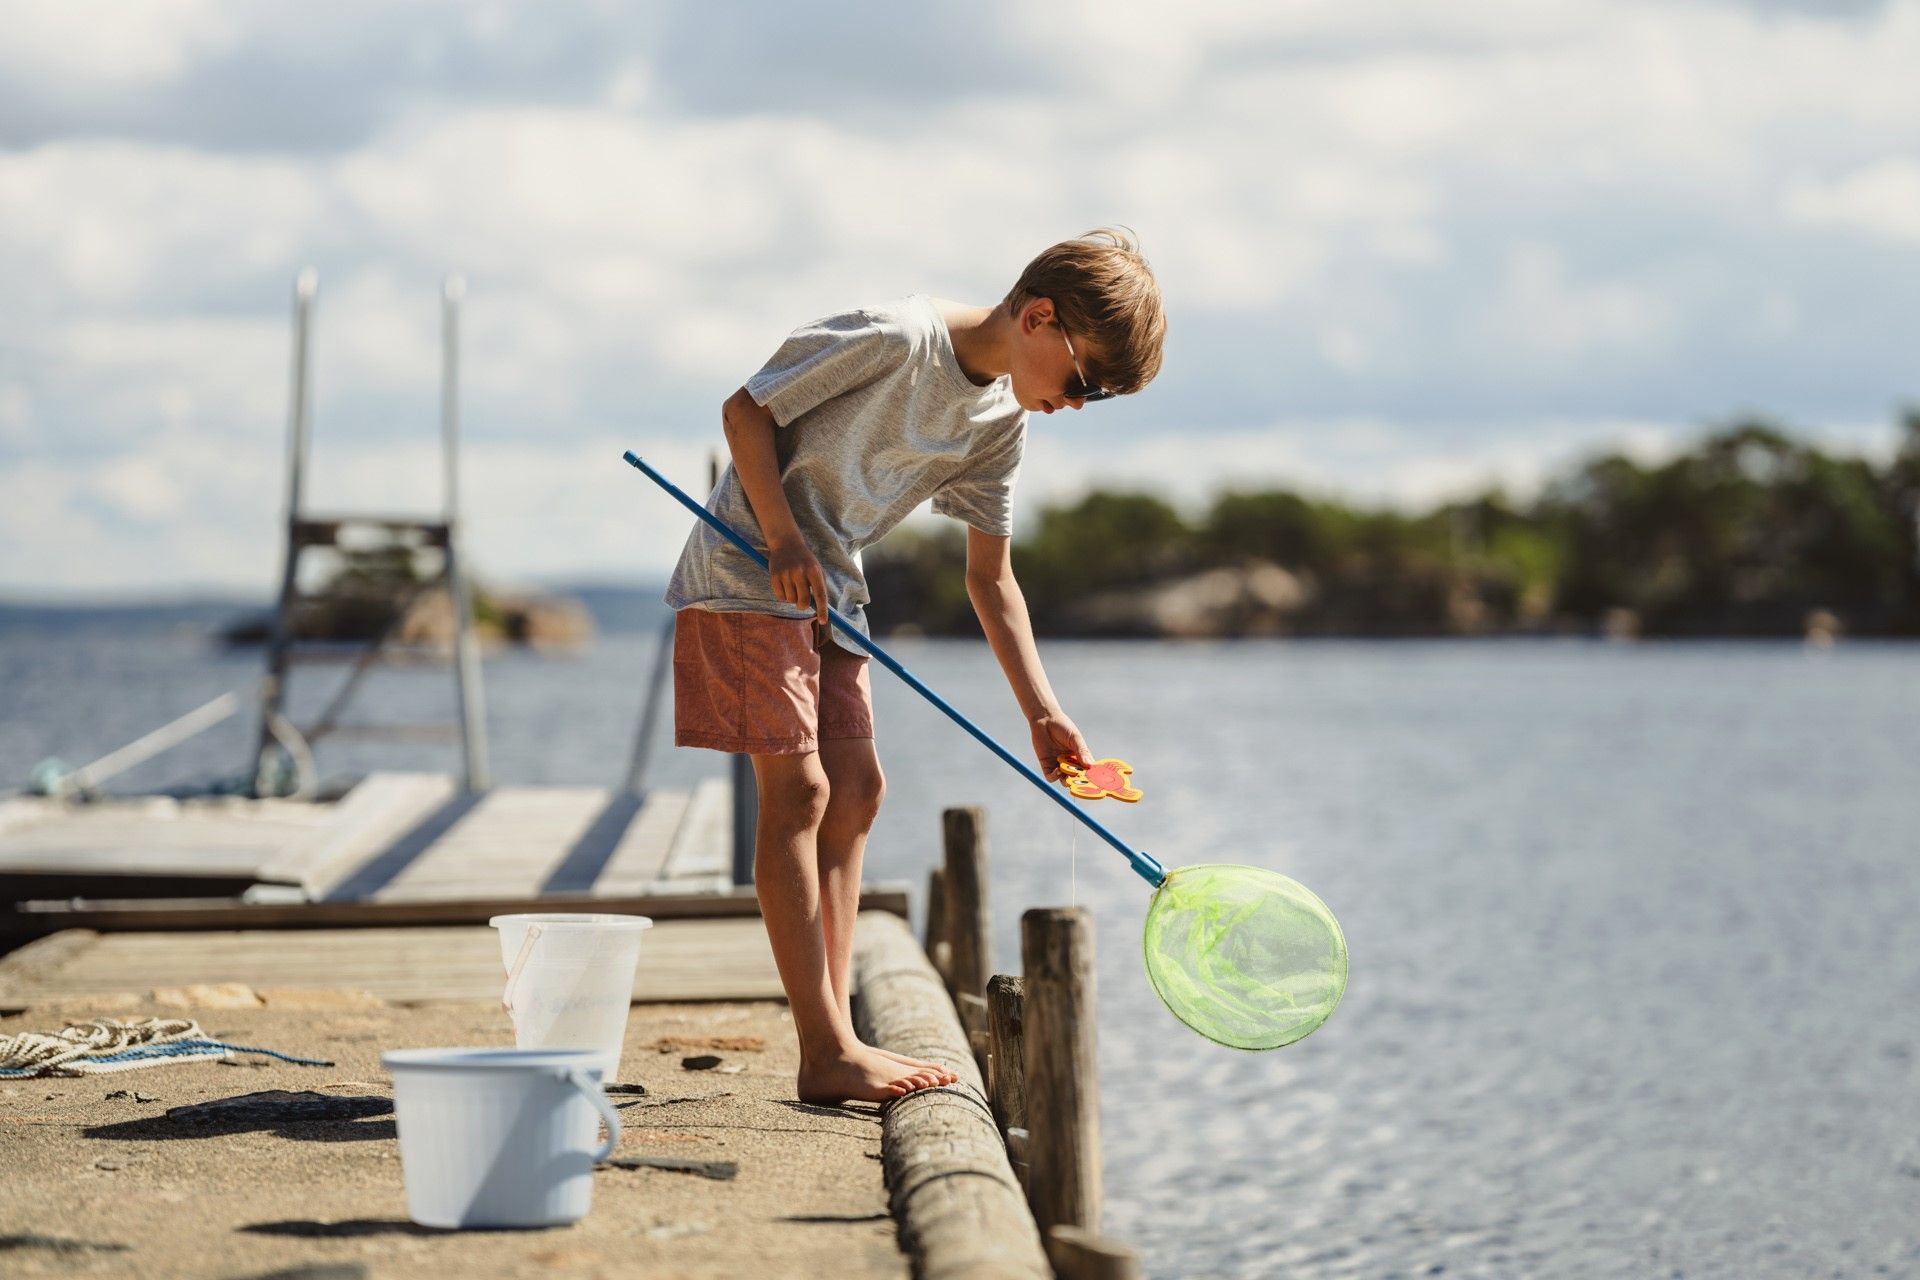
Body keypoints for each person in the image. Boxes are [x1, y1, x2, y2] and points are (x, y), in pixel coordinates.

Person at [665, 228, 1166, 1102]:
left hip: (833, 594)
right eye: (1086, 382)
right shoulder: (895, 338)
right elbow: (745, 412)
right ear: (1040, 317)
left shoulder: (1000, 421)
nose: (1080, 405)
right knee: (802, 792)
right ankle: (826, 1050)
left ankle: (835, 1033)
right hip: (749, 569)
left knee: (858, 791)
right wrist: (782, 538)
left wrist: (1043, 711)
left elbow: (992, 578)